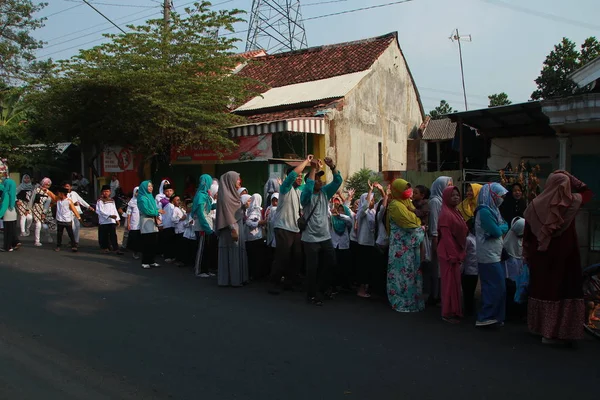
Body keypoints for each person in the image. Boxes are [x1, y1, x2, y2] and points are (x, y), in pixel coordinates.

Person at [523, 171, 592, 345]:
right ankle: (555, 333)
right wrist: (571, 178)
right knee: (562, 292)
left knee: (543, 290)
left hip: (541, 259)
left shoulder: (534, 206)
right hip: (566, 258)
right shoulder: (572, 203)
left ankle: (540, 329)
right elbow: (588, 193)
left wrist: (528, 255)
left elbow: (528, 236)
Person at [300, 157, 343, 306]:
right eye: (317, 179)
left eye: (320, 179)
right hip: (310, 238)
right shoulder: (306, 196)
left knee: (331, 262)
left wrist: (332, 166)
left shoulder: (325, 193)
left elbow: (337, 181)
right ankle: (311, 295)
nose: (320, 181)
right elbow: (309, 185)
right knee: (312, 268)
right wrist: (313, 169)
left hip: (325, 236)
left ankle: (323, 288)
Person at [268, 156, 313, 294]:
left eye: (301, 176)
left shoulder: (298, 191)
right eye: (298, 175)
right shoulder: (285, 188)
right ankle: (274, 283)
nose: (299, 178)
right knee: (282, 257)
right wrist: (306, 161)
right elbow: (293, 174)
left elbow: (310, 183)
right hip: (283, 228)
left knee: (297, 257)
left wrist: (314, 168)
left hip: (295, 229)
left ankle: (290, 282)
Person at [386, 178, 425, 313]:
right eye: (405, 188)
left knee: (410, 274)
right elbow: (410, 223)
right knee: (401, 276)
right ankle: (401, 301)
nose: (408, 191)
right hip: (400, 250)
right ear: (397, 190)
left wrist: (417, 220)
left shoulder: (407, 203)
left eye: (409, 188)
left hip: (409, 248)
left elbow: (416, 219)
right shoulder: (395, 205)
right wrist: (418, 221)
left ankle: (413, 301)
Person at [474, 183, 509, 327]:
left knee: (496, 286)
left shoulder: (493, 210)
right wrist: (501, 228)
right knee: (495, 286)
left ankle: (494, 316)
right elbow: (497, 231)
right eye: (499, 195)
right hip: (488, 255)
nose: (501, 198)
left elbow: (505, 225)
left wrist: (501, 227)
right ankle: (486, 316)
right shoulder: (485, 211)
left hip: (494, 253)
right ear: (491, 195)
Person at [437, 186, 468, 323]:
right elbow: (447, 237)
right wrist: (453, 255)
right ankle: (447, 312)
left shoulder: (455, 211)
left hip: (455, 251)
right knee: (449, 283)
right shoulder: (445, 214)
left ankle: (454, 310)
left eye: (457, 195)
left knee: (455, 283)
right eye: (452, 195)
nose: (456, 197)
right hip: (448, 253)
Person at [216, 171, 249, 287]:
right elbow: (227, 213)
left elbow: (235, 210)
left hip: (236, 225)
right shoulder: (225, 195)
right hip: (230, 228)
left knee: (235, 252)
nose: (239, 181)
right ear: (230, 181)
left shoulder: (233, 194)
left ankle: (238, 278)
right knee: (231, 252)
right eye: (237, 179)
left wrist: (244, 206)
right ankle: (232, 280)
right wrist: (232, 229)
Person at [427, 176, 453, 305]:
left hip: (444, 239)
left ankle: (440, 295)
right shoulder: (435, 201)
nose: (450, 187)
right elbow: (434, 222)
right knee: (437, 269)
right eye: (447, 185)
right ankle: (435, 296)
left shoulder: (444, 201)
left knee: (441, 269)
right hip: (437, 238)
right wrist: (435, 240)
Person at [192, 174, 217, 278]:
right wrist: (207, 228)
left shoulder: (205, 195)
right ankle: (199, 270)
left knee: (207, 249)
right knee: (202, 249)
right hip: (202, 226)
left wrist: (216, 205)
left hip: (207, 225)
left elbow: (208, 208)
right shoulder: (201, 196)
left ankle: (206, 270)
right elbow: (201, 213)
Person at [356, 183, 377, 298]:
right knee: (363, 268)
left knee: (369, 267)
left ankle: (367, 288)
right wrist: (369, 191)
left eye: (373, 199)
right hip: (363, 242)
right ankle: (361, 289)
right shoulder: (361, 213)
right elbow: (365, 206)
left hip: (371, 243)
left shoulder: (373, 212)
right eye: (371, 199)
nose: (372, 201)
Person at [503, 216, 525, 320]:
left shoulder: (519, 239)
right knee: (511, 286)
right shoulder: (508, 243)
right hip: (511, 260)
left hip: (519, 260)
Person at [138, 180, 162, 269]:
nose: (150, 188)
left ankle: (152, 261)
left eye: (151, 186)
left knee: (153, 242)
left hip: (153, 221)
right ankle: (145, 261)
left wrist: (157, 214)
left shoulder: (151, 197)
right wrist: (157, 211)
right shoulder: (142, 198)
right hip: (146, 221)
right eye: (148, 186)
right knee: (147, 242)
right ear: (144, 187)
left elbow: (154, 209)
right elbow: (146, 211)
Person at [330, 201, 353, 292]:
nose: (340, 212)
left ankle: (343, 285)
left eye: (342, 211)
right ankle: (333, 285)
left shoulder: (347, 220)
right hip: (334, 245)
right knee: (334, 266)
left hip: (344, 246)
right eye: (338, 210)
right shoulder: (332, 219)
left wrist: (339, 215)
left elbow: (349, 220)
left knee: (343, 266)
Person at [64, 181, 94, 246]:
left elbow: (81, 200)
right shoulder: (63, 194)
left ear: (70, 187)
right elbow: (63, 203)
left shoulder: (74, 193)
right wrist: (73, 204)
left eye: (68, 186)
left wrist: (88, 206)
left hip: (77, 212)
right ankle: (72, 240)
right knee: (72, 227)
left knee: (77, 226)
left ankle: (76, 241)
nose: (67, 188)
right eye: (65, 186)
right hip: (68, 212)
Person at [245, 193, 267, 280]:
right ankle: (255, 275)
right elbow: (249, 223)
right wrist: (259, 223)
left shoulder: (255, 210)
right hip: (254, 238)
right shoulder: (254, 211)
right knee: (255, 257)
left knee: (255, 257)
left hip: (256, 237)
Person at [29, 177, 55, 247]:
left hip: (45, 209)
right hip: (36, 208)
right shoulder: (36, 190)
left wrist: (44, 213)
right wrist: (28, 209)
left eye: (48, 185)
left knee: (45, 225)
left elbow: (52, 200)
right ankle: (37, 241)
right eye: (46, 184)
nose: (47, 186)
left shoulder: (48, 193)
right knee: (38, 224)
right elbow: (32, 199)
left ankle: (48, 235)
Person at [96, 185, 122, 254]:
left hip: (111, 221)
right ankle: (105, 247)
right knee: (104, 235)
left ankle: (116, 248)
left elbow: (114, 210)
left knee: (113, 235)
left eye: (107, 191)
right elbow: (100, 211)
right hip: (103, 221)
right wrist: (109, 216)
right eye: (104, 191)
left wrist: (117, 219)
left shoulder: (112, 201)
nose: (106, 193)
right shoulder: (100, 201)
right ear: (102, 192)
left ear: (110, 192)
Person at [54, 187, 81, 252]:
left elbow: (74, 210)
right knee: (59, 234)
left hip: (67, 220)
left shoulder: (69, 201)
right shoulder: (58, 200)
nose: (58, 194)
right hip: (59, 220)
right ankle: (58, 246)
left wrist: (79, 217)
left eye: (59, 193)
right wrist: (46, 191)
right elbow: (52, 195)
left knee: (70, 234)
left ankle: (74, 246)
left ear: (62, 194)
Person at [462, 220, 478, 316]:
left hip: (475, 270)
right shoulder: (468, 239)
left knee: (471, 291)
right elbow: (463, 253)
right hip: (468, 270)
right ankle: (468, 309)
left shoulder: (476, 239)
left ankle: (470, 309)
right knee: (467, 291)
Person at [0, 178, 21, 252]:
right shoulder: (13, 193)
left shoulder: (6, 193)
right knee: (12, 230)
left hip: (7, 213)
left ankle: (7, 247)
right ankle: (14, 243)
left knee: (7, 232)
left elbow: (4, 205)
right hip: (13, 213)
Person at [126, 187, 142, 259]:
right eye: (136, 192)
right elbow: (129, 214)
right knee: (135, 238)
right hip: (134, 223)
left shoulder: (142, 201)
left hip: (142, 222)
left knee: (141, 238)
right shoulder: (131, 202)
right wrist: (129, 224)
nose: (137, 194)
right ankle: (134, 253)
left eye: (139, 192)